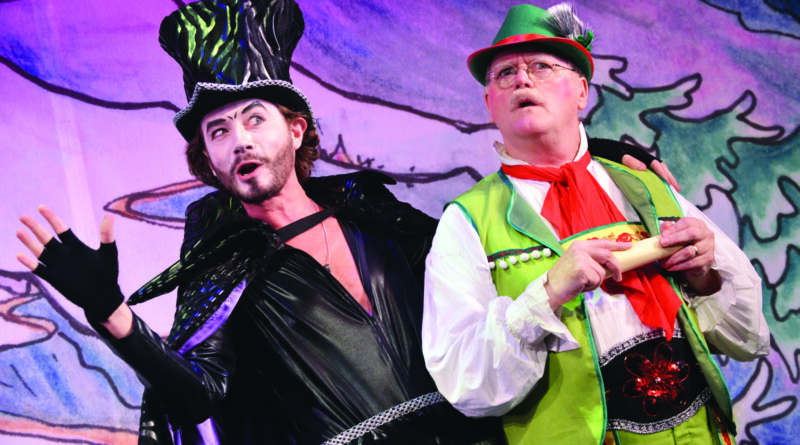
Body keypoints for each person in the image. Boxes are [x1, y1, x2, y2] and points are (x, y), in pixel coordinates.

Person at [16, 1, 668, 444]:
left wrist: (587, 159)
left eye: (255, 118)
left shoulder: (375, 214)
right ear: (207, 159)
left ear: (296, 128)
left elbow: (488, 263)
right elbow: (197, 396)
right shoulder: (221, 260)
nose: (240, 140)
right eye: (218, 131)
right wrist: (112, 315)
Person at [421, 3, 770, 445]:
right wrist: (547, 295)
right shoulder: (467, 222)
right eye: (504, 73)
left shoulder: (647, 188)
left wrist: (705, 277)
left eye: (541, 66)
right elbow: (465, 383)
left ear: (582, 91)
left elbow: (748, 338)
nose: (522, 80)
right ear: (490, 104)